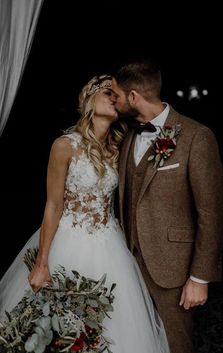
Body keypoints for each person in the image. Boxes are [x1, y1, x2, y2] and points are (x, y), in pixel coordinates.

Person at [0, 74, 170, 353]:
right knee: (56, 329)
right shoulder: (64, 145)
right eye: (107, 92)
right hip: (67, 243)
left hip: (110, 246)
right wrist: (42, 263)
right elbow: (53, 205)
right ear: (89, 99)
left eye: (117, 95)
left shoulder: (119, 146)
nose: (114, 98)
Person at [111, 60, 223, 353]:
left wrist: (199, 277)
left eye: (117, 95)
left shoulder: (196, 136)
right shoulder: (127, 137)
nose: (115, 101)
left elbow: (212, 212)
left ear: (134, 97)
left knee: (175, 345)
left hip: (173, 268)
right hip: (126, 264)